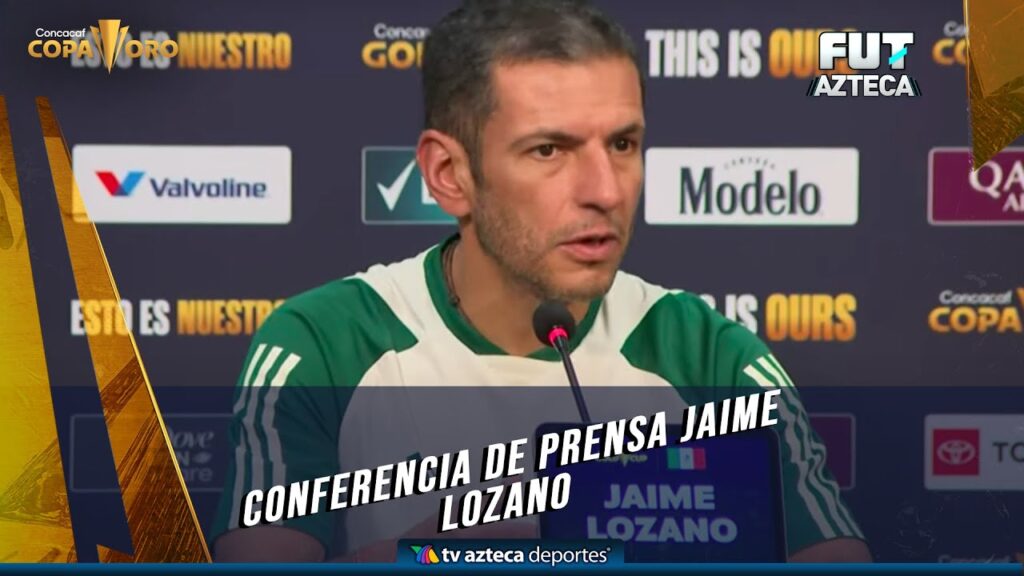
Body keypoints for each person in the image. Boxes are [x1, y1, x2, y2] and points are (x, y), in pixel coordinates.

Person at [210, 0, 871, 563]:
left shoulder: (713, 358)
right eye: (548, 151)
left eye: (622, 144)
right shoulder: (321, 345)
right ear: (449, 174)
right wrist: (450, 551)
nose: (605, 191)